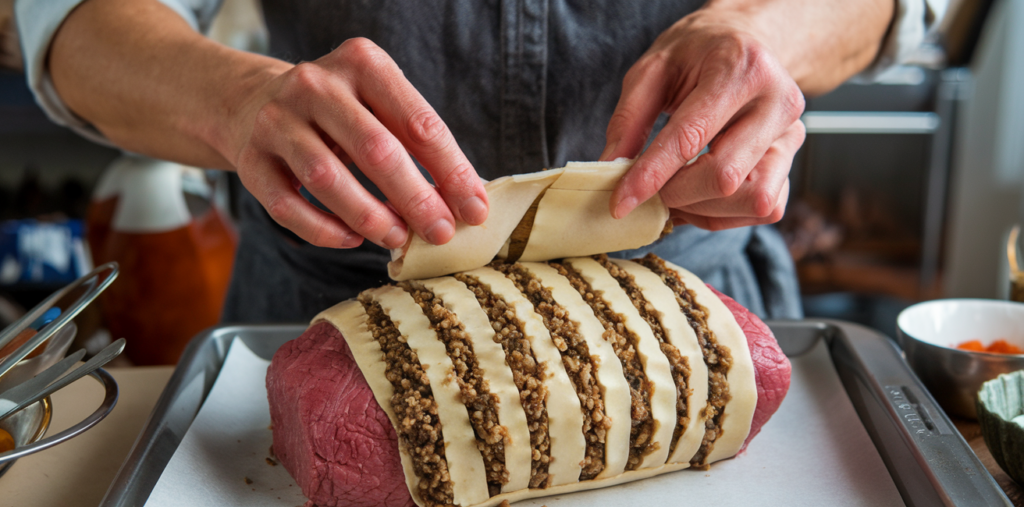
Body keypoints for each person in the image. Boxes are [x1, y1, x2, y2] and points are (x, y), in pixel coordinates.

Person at [17, 0, 944, 322]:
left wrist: (763, 30)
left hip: (684, 296)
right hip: (329, 307)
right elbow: (62, 21)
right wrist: (235, 98)